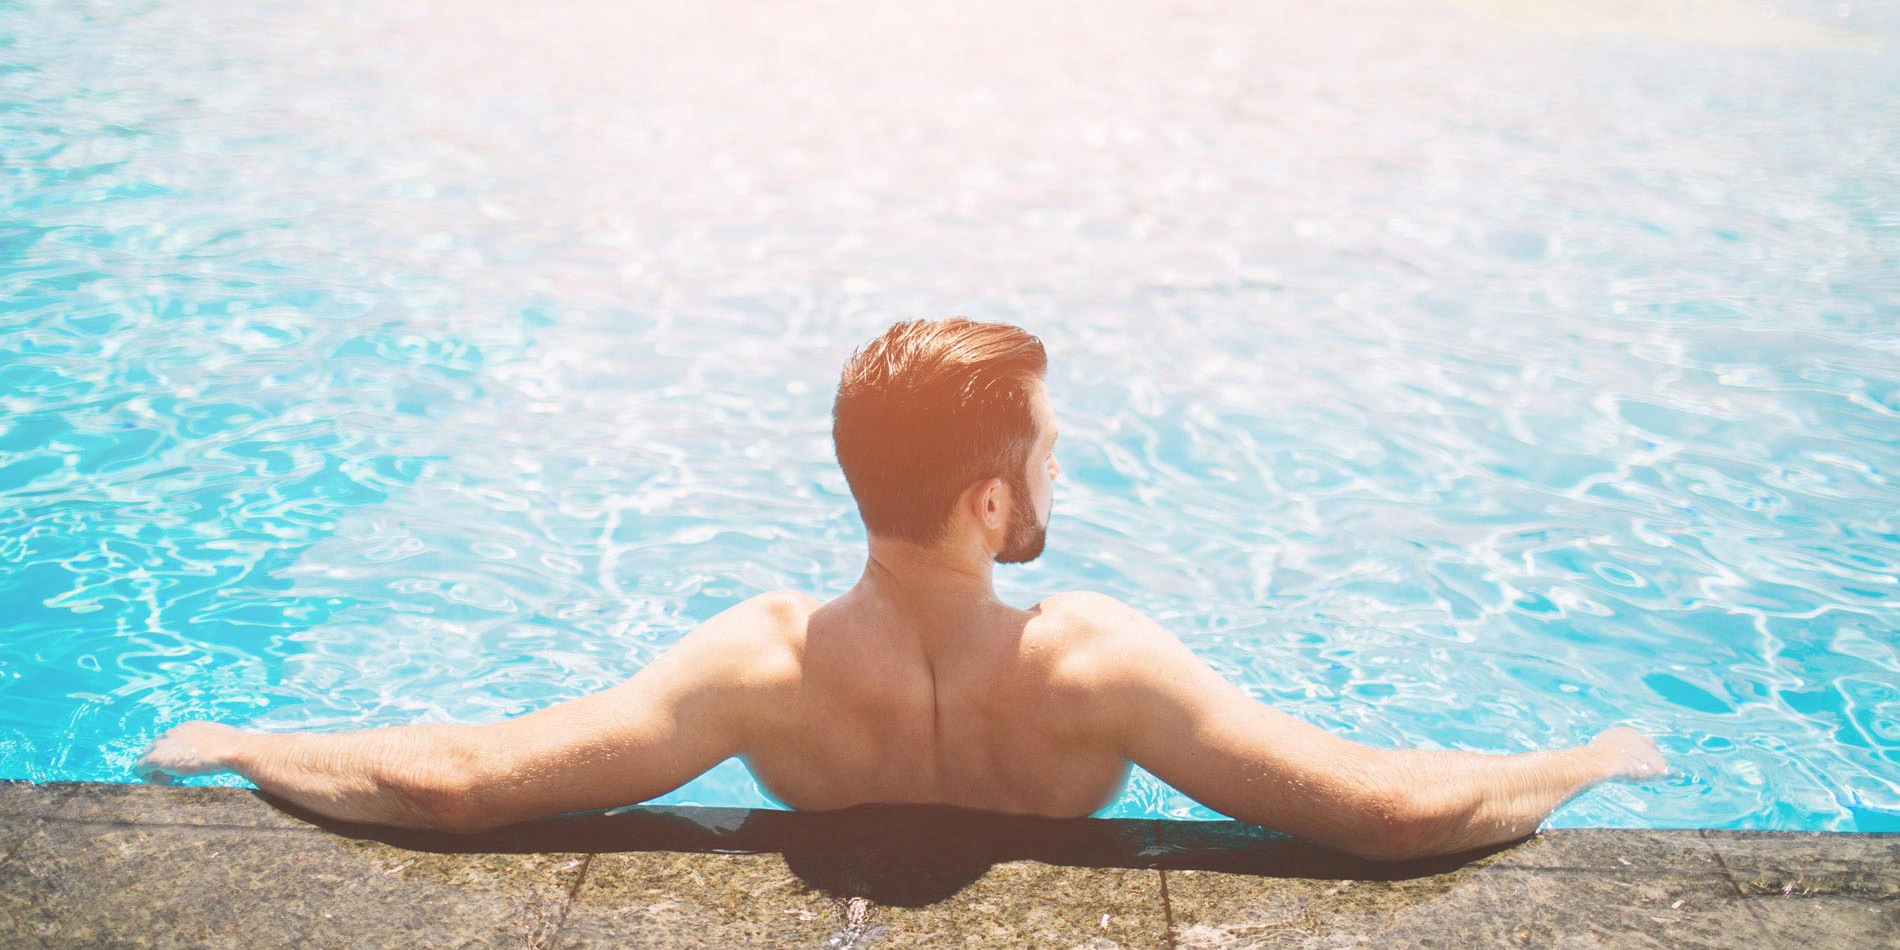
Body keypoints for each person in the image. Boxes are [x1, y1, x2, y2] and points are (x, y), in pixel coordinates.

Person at [137, 318, 1666, 861]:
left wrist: (249, 748)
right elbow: (1390, 809)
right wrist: (1577, 764)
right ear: (991, 499)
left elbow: (452, 783)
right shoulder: (1095, 667)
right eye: (1048, 454)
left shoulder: (763, 666)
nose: (1061, 475)